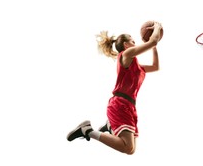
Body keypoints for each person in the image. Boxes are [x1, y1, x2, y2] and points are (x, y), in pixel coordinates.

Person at [66, 21, 163, 155]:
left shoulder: (138, 67)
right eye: (133, 41)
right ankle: (87, 130)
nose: (135, 44)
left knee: (131, 150)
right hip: (120, 103)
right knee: (127, 147)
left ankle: (110, 126)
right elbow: (153, 42)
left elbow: (156, 66)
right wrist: (157, 28)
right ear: (126, 45)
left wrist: (153, 46)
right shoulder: (126, 55)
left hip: (130, 106)